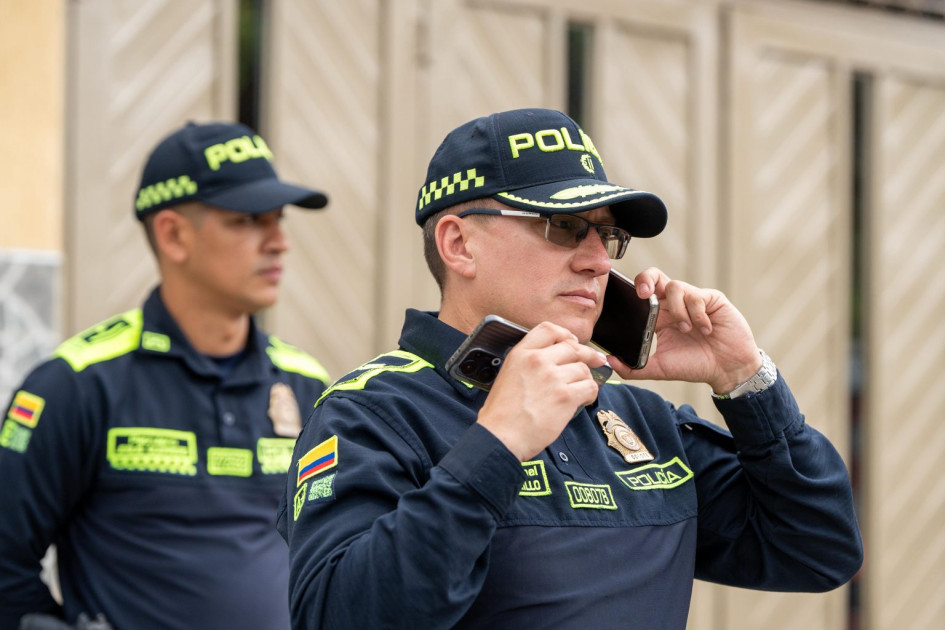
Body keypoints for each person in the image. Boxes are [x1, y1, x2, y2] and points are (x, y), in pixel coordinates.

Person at [278, 108, 863, 629]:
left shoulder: (636, 416)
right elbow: (340, 613)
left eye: (607, 234)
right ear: (459, 245)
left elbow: (817, 550)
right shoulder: (374, 411)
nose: (596, 260)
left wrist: (744, 379)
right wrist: (498, 445)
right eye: (562, 227)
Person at [0, 121, 332, 630]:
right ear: (173, 235)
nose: (279, 242)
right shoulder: (77, 385)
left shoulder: (309, 385)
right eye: (248, 220)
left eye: (279, 219)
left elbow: (341, 554)